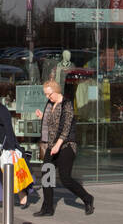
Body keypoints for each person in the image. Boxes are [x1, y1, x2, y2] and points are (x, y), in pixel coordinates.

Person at [35, 78, 94, 215]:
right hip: (51, 144)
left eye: (49, 94)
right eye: (45, 94)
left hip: (66, 145)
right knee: (46, 175)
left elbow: (66, 127)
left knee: (65, 178)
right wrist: (42, 116)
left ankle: (87, 198)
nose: (47, 97)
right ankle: (47, 208)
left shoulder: (67, 104)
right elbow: (53, 122)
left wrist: (58, 145)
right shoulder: (51, 104)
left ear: (56, 91)